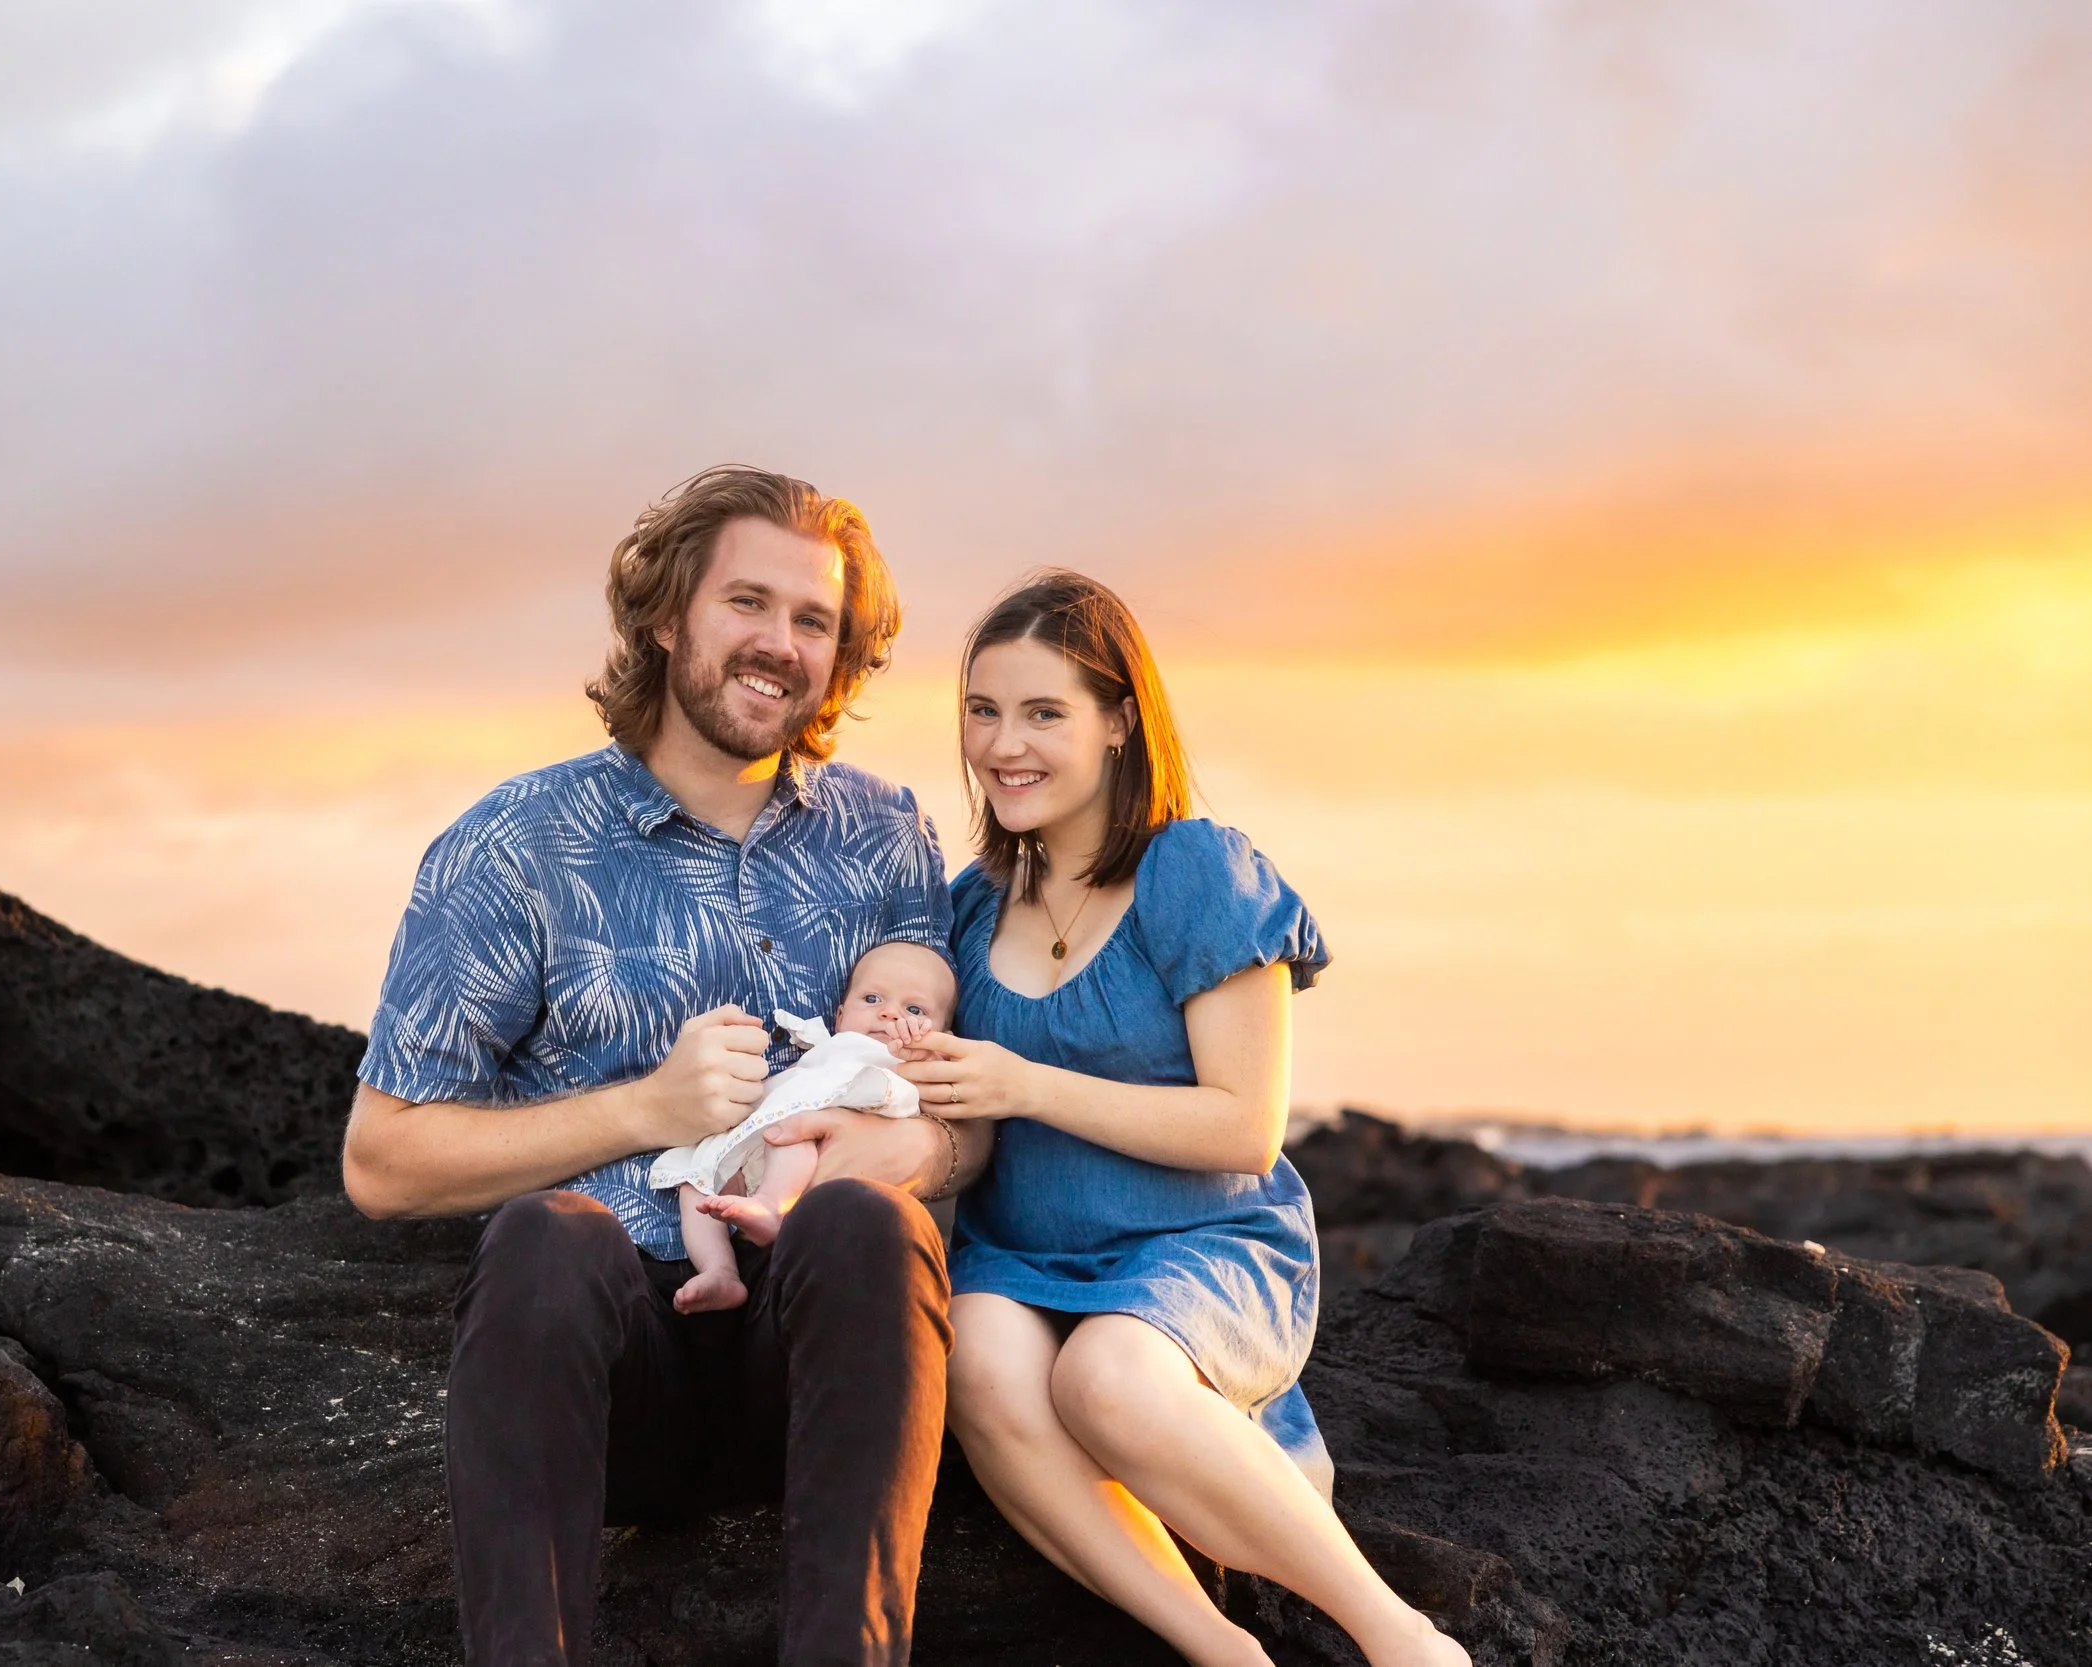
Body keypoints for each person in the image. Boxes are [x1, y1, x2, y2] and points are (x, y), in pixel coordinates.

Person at [339, 465, 989, 1667]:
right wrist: (644, 1106)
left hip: (813, 1367)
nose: (781, 644)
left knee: (871, 1225)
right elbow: (382, 1160)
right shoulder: (513, 844)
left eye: (813, 621)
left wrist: (906, 1146)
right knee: (546, 1236)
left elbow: (962, 1112)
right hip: (606, 1383)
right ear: (664, 614)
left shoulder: (887, 834)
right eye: (748, 602)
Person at [901, 572, 1469, 1667]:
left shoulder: (1196, 872)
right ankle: (1218, 1649)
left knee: (1104, 1376)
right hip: (1021, 1252)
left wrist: (1024, 1083)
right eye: (982, 710)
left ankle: (1400, 1637)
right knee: (968, 1355)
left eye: (1042, 712)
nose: (1001, 743)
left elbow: (1241, 1129)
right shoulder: (969, 908)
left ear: (1119, 721)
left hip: (1199, 1246)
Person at [652, 938, 958, 1312]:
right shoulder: (828, 1048)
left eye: (913, 1009)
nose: (889, 1015)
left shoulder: (903, 1064)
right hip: (754, 1143)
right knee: (695, 1180)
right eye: (873, 999)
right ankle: (719, 1270)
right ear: (841, 1015)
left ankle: (770, 1204)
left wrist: (922, 1052)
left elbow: (934, 1090)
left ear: (944, 1037)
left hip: (813, 1144)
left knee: (796, 1132)